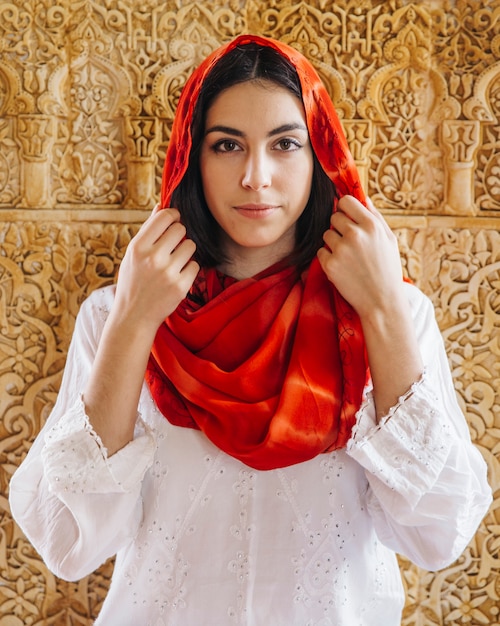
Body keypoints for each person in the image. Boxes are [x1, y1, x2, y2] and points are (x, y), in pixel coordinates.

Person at [9, 34, 491, 626]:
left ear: (321, 159)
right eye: (227, 145)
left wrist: (383, 312)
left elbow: (439, 534)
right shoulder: (118, 314)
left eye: (285, 143)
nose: (256, 177)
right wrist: (135, 322)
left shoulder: (391, 315)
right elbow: (70, 543)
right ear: (192, 157)